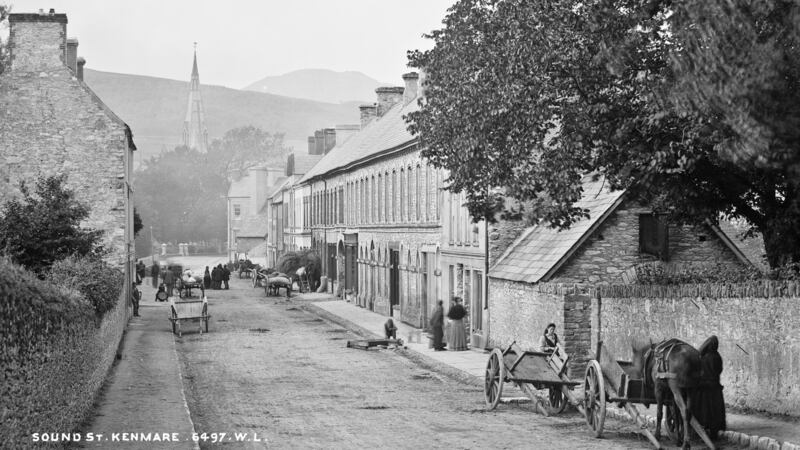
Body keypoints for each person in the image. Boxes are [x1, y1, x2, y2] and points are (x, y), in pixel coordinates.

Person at [692, 335, 727, 440]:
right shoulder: (717, 356)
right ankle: (714, 431)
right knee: (715, 410)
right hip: (715, 387)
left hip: (704, 388)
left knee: (704, 409)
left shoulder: (703, 357)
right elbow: (719, 370)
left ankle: (702, 427)